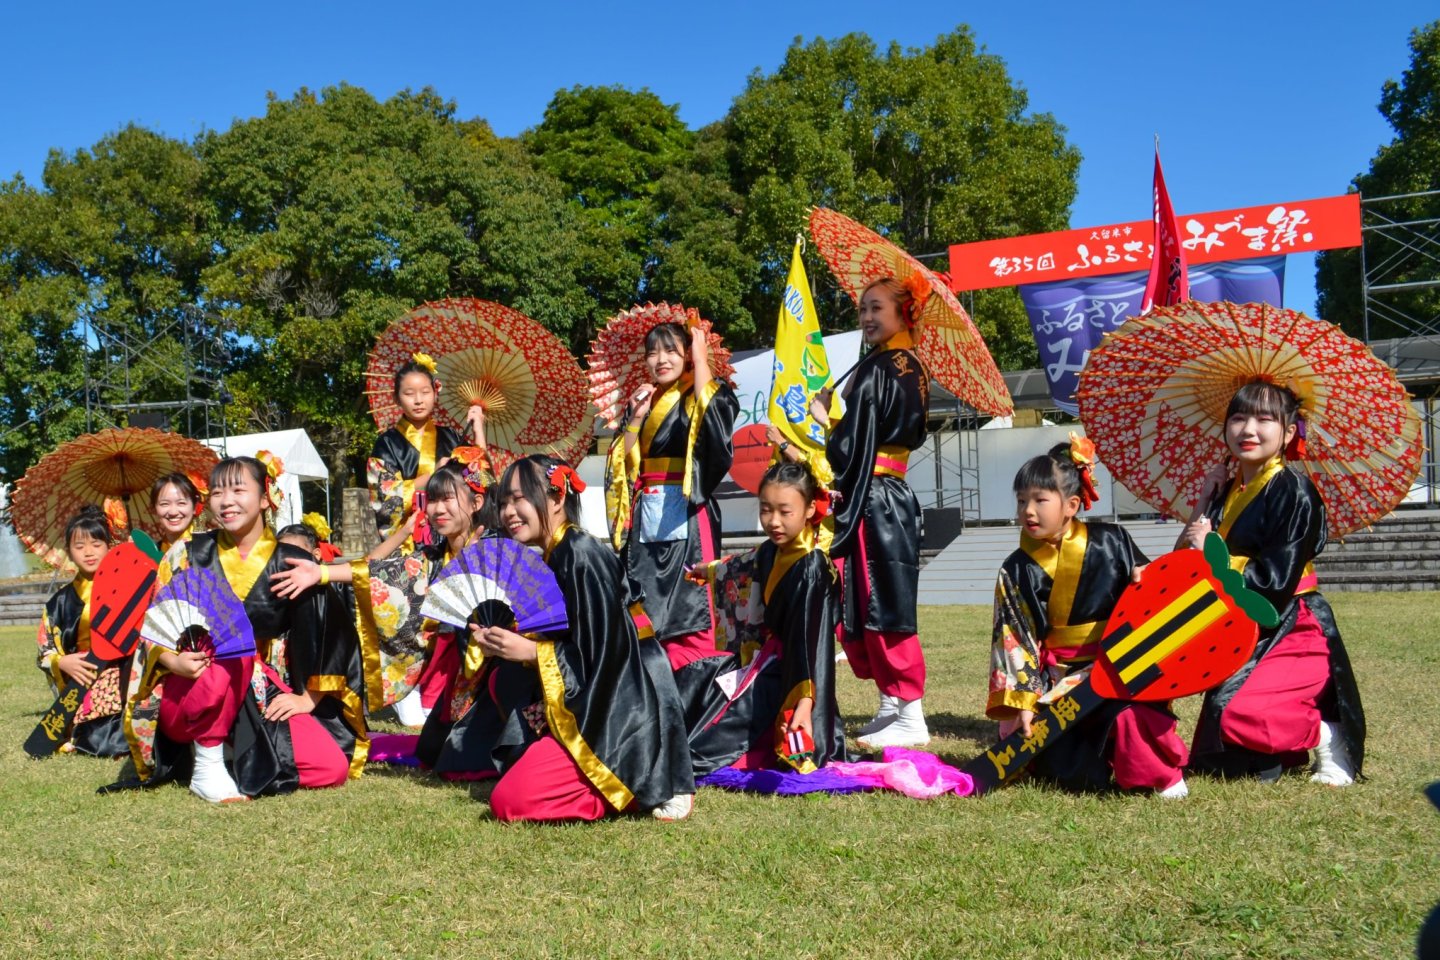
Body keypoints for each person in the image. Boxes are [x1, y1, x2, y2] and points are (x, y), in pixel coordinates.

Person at [132, 455, 365, 802]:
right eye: (217, 492)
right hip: (191, 687)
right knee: (230, 652)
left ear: (264, 496)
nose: (227, 501)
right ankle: (207, 766)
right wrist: (173, 662)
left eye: (239, 489)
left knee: (331, 767)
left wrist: (307, 698)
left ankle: (231, 754)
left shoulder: (291, 560)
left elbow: (329, 630)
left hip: (257, 687)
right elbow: (154, 625)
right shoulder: (186, 553)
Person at [480, 454, 695, 822]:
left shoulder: (580, 554)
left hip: (622, 703)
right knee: (504, 680)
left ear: (557, 498)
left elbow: (606, 658)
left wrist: (533, 651)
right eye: (502, 502)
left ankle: (639, 786)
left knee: (509, 802)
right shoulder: (554, 553)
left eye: (519, 498)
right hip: (589, 692)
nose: (508, 512)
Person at [1180, 382, 1365, 785]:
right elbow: (1186, 560)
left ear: (1289, 432)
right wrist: (1204, 497)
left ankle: (1327, 735)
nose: (1248, 429)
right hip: (1242, 625)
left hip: (1292, 621)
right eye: (1239, 417)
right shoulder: (1226, 490)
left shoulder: (1294, 491)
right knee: (1221, 745)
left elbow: (1274, 580)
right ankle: (1280, 749)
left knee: (1239, 714)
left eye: (1265, 419)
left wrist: (1214, 550)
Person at [988, 438, 1189, 797]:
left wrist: (1145, 578)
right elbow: (1015, 638)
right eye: (1021, 501)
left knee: (1130, 719)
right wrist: (1023, 700)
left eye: (1040, 500)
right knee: (1064, 769)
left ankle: (1160, 777)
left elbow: (1148, 590)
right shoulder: (1015, 568)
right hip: (1058, 680)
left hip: (1116, 668)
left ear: (1072, 505)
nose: (1028, 511)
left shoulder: (1112, 540)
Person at [277, 451, 494, 730]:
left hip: (493, 667)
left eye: (447, 499)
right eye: (433, 500)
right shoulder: (434, 557)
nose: (438, 509)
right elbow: (379, 572)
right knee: (433, 752)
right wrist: (321, 572)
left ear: (476, 502)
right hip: (458, 668)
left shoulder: (494, 549)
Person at [809, 276, 930, 748]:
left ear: (904, 313)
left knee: (883, 600)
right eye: (862, 309)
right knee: (867, 597)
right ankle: (891, 703)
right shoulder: (900, 364)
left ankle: (910, 712)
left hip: (877, 495)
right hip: (879, 493)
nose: (866, 318)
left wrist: (827, 420)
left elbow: (850, 446)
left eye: (876, 308)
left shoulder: (888, 367)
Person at [676, 462, 847, 775]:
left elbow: (811, 645)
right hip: (766, 663)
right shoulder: (773, 550)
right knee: (698, 684)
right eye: (766, 509)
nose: (774, 521)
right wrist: (711, 570)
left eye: (785, 511)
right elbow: (744, 563)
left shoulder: (812, 568)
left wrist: (805, 705)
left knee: (705, 746)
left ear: (810, 509)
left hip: (797, 677)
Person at [607, 321, 738, 670]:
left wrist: (701, 359)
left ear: (688, 355)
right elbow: (624, 461)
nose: (660, 360)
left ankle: (700, 671)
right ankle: (652, 669)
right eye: (652, 353)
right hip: (647, 509)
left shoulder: (700, 392)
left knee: (692, 593)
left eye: (670, 351)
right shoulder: (647, 399)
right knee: (644, 590)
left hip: (687, 507)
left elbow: (715, 422)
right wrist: (634, 419)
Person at [35, 505, 128, 757]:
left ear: (110, 546)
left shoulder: (128, 589)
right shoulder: (59, 603)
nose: (88, 552)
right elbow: (44, 652)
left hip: (128, 673)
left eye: (96, 544)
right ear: (69, 552)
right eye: (79, 546)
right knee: (98, 738)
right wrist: (62, 661)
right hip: (84, 679)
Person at [368, 353, 485, 543]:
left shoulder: (452, 436)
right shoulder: (386, 443)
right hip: (407, 539)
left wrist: (479, 429)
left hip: (450, 536)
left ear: (435, 393)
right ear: (396, 398)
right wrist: (433, 475)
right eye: (409, 393)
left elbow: (481, 478)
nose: (418, 400)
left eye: (425, 392)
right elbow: (384, 500)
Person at [149, 471, 205, 552]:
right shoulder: (152, 554)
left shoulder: (213, 547)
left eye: (181, 503)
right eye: (164, 504)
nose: (173, 512)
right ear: (153, 509)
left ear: (195, 506)